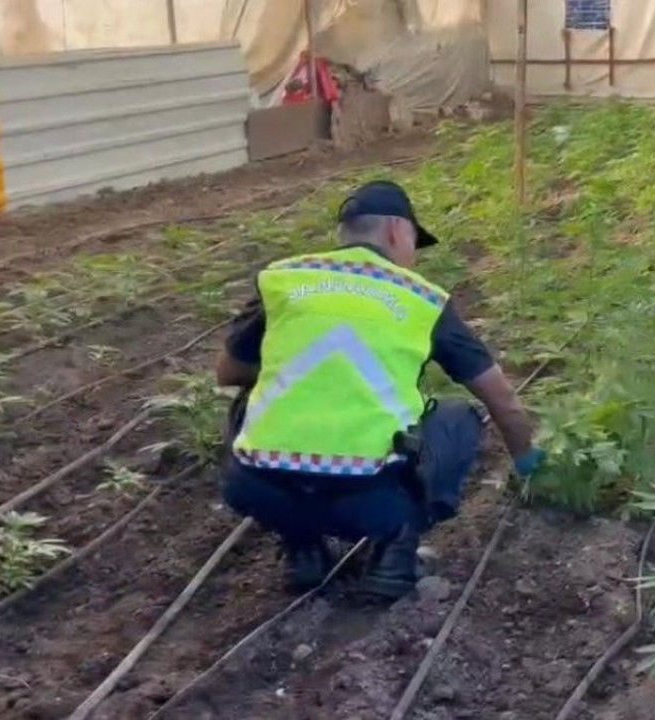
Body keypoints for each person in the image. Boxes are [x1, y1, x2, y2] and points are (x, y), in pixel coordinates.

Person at [215, 180, 545, 602]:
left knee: (250, 407)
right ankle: (395, 552)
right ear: (395, 230)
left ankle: (302, 548)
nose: (413, 255)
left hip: (258, 488)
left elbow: (228, 373)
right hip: (370, 501)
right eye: (413, 241)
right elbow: (501, 400)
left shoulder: (283, 279)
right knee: (457, 418)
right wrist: (526, 458)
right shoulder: (420, 298)